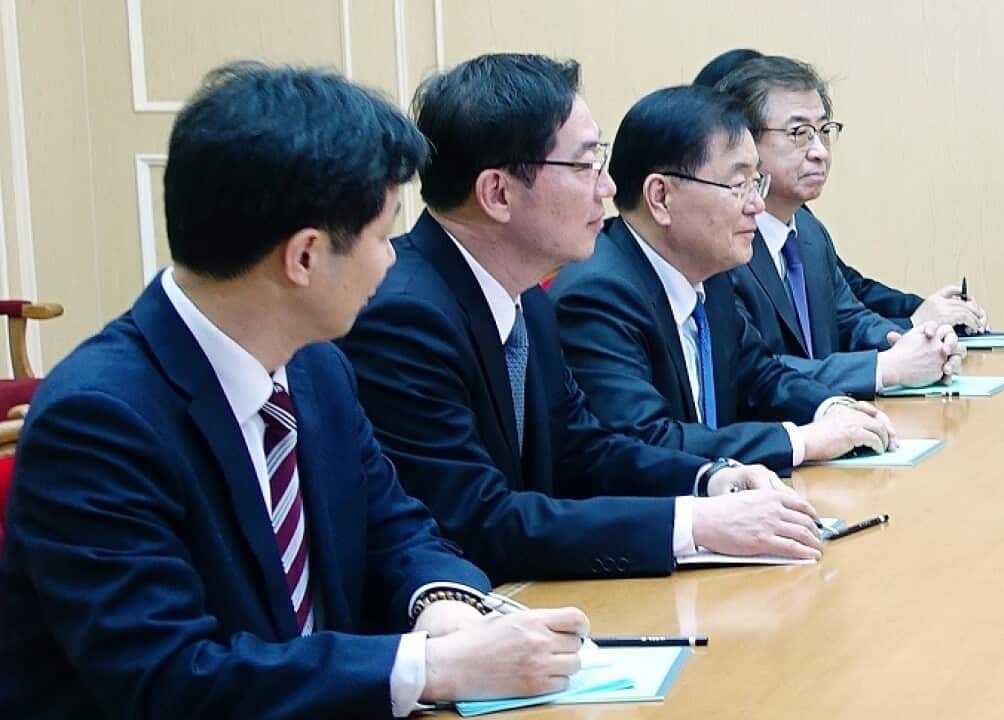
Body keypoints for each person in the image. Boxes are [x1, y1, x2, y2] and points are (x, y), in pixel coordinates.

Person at [0, 62, 588, 719]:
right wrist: (430, 667)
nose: (393, 257)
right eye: (380, 232)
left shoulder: (316, 370)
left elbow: (397, 530)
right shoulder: (99, 419)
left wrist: (439, 606)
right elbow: (169, 678)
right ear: (304, 256)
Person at [338, 53, 825, 584]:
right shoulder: (405, 315)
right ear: (497, 193)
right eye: (585, 165)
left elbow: (582, 450)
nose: (609, 188)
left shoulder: (526, 300)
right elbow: (478, 521)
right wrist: (693, 524)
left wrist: (712, 478)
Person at [550, 85, 897, 475]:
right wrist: (803, 440)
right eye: (739, 185)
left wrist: (831, 408)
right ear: (661, 197)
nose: (757, 205)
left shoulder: (709, 274)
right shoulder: (597, 294)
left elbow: (761, 375)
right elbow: (645, 441)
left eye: (757, 183)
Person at [712, 54, 966, 397]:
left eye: (824, 131)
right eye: (799, 133)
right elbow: (756, 372)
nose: (820, 152)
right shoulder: (721, 244)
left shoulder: (809, 232)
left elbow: (850, 320)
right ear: (745, 143)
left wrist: (921, 341)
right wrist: (886, 368)